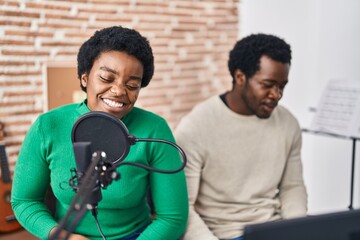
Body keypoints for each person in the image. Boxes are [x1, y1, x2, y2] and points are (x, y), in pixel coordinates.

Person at [11, 26, 188, 240]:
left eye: (132, 85)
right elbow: (24, 201)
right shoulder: (47, 126)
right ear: (85, 78)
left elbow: (173, 217)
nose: (119, 91)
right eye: (106, 78)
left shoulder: (154, 129)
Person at [174, 33, 308, 240]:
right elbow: (184, 208)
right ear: (240, 77)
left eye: (282, 86)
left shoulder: (288, 123)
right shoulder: (195, 127)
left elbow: (292, 187)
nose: (277, 94)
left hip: (274, 229)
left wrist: (298, 230)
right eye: (267, 84)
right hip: (221, 234)